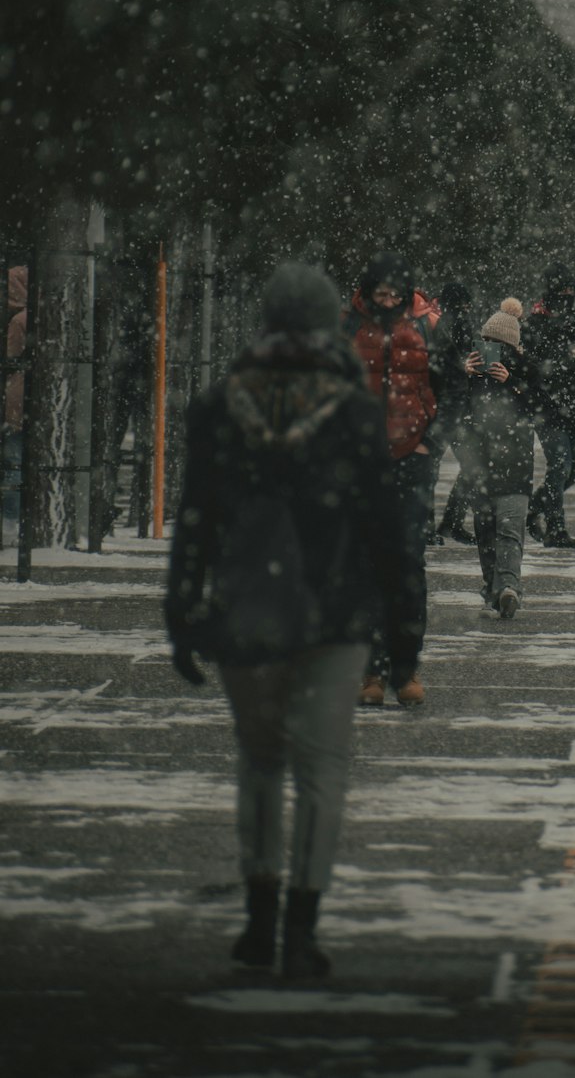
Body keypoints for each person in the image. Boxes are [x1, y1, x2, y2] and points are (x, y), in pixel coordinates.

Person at [165, 262, 423, 978]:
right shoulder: (352, 412)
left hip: (247, 612)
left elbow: (196, 521)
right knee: (322, 767)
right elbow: (389, 534)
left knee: (258, 762)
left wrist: (182, 611)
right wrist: (404, 636)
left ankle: (258, 913)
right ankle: (303, 926)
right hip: (335, 615)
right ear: (327, 325)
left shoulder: (220, 407)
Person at [345, 251, 440, 705]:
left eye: (394, 293)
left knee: (406, 567)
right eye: (379, 292)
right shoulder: (346, 328)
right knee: (364, 569)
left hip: (410, 459)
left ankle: (406, 669)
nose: (387, 300)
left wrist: (431, 440)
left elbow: (452, 386)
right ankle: (371, 671)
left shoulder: (426, 326)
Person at [463, 300, 548, 618]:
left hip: (515, 465)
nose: (492, 350)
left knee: (510, 530)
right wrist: (465, 375)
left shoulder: (527, 372)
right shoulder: (471, 372)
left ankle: (508, 588)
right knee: (485, 531)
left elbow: (543, 408)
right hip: (480, 465)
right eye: (487, 343)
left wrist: (511, 382)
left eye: (500, 345)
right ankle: (491, 590)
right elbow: (455, 411)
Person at [522, 260, 575, 549]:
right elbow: (530, 367)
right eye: (563, 290)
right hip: (548, 408)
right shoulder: (533, 323)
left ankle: (535, 506)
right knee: (560, 466)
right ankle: (556, 528)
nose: (568, 296)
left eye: (571, 290)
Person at [431, 281, 478, 546]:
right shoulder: (450, 325)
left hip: (448, 404)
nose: (466, 309)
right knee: (471, 466)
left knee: (434, 467)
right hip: (452, 405)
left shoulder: (441, 323)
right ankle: (451, 521)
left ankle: (443, 524)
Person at [2, 266, 27, 525]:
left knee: (13, 459)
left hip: (18, 396)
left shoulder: (19, 320)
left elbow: (11, 355)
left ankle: (11, 517)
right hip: (27, 399)